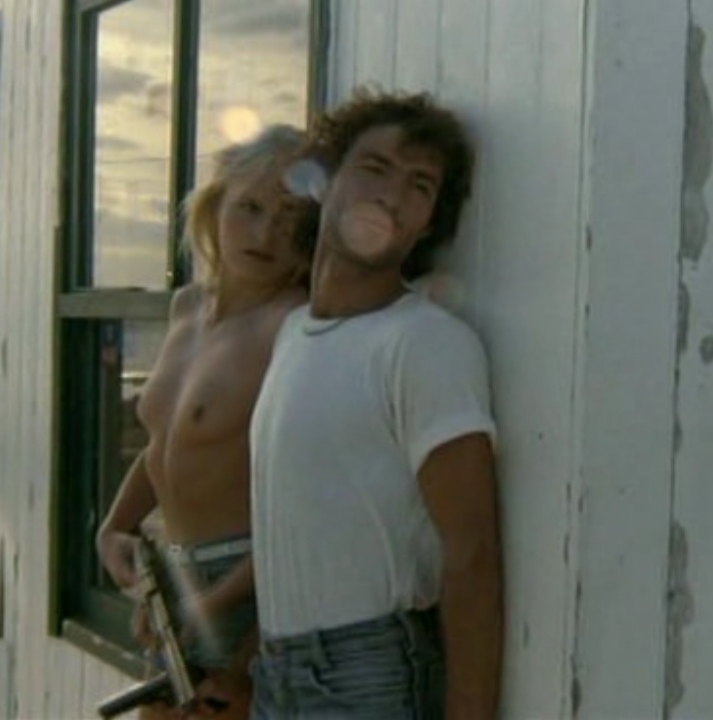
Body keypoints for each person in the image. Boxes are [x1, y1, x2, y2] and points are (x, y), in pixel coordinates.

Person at [248, 88, 503, 719]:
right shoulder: (293, 333)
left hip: (371, 673)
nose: (392, 196)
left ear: (428, 222)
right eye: (375, 168)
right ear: (323, 184)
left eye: (420, 185)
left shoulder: (426, 343)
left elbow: (472, 555)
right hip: (278, 672)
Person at [95, 124, 318, 719]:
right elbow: (167, 442)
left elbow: (312, 502)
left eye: (291, 219)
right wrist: (113, 528)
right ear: (215, 206)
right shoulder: (188, 307)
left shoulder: (293, 325)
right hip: (173, 580)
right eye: (250, 208)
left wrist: (248, 651)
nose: (265, 234)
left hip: (250, 586)